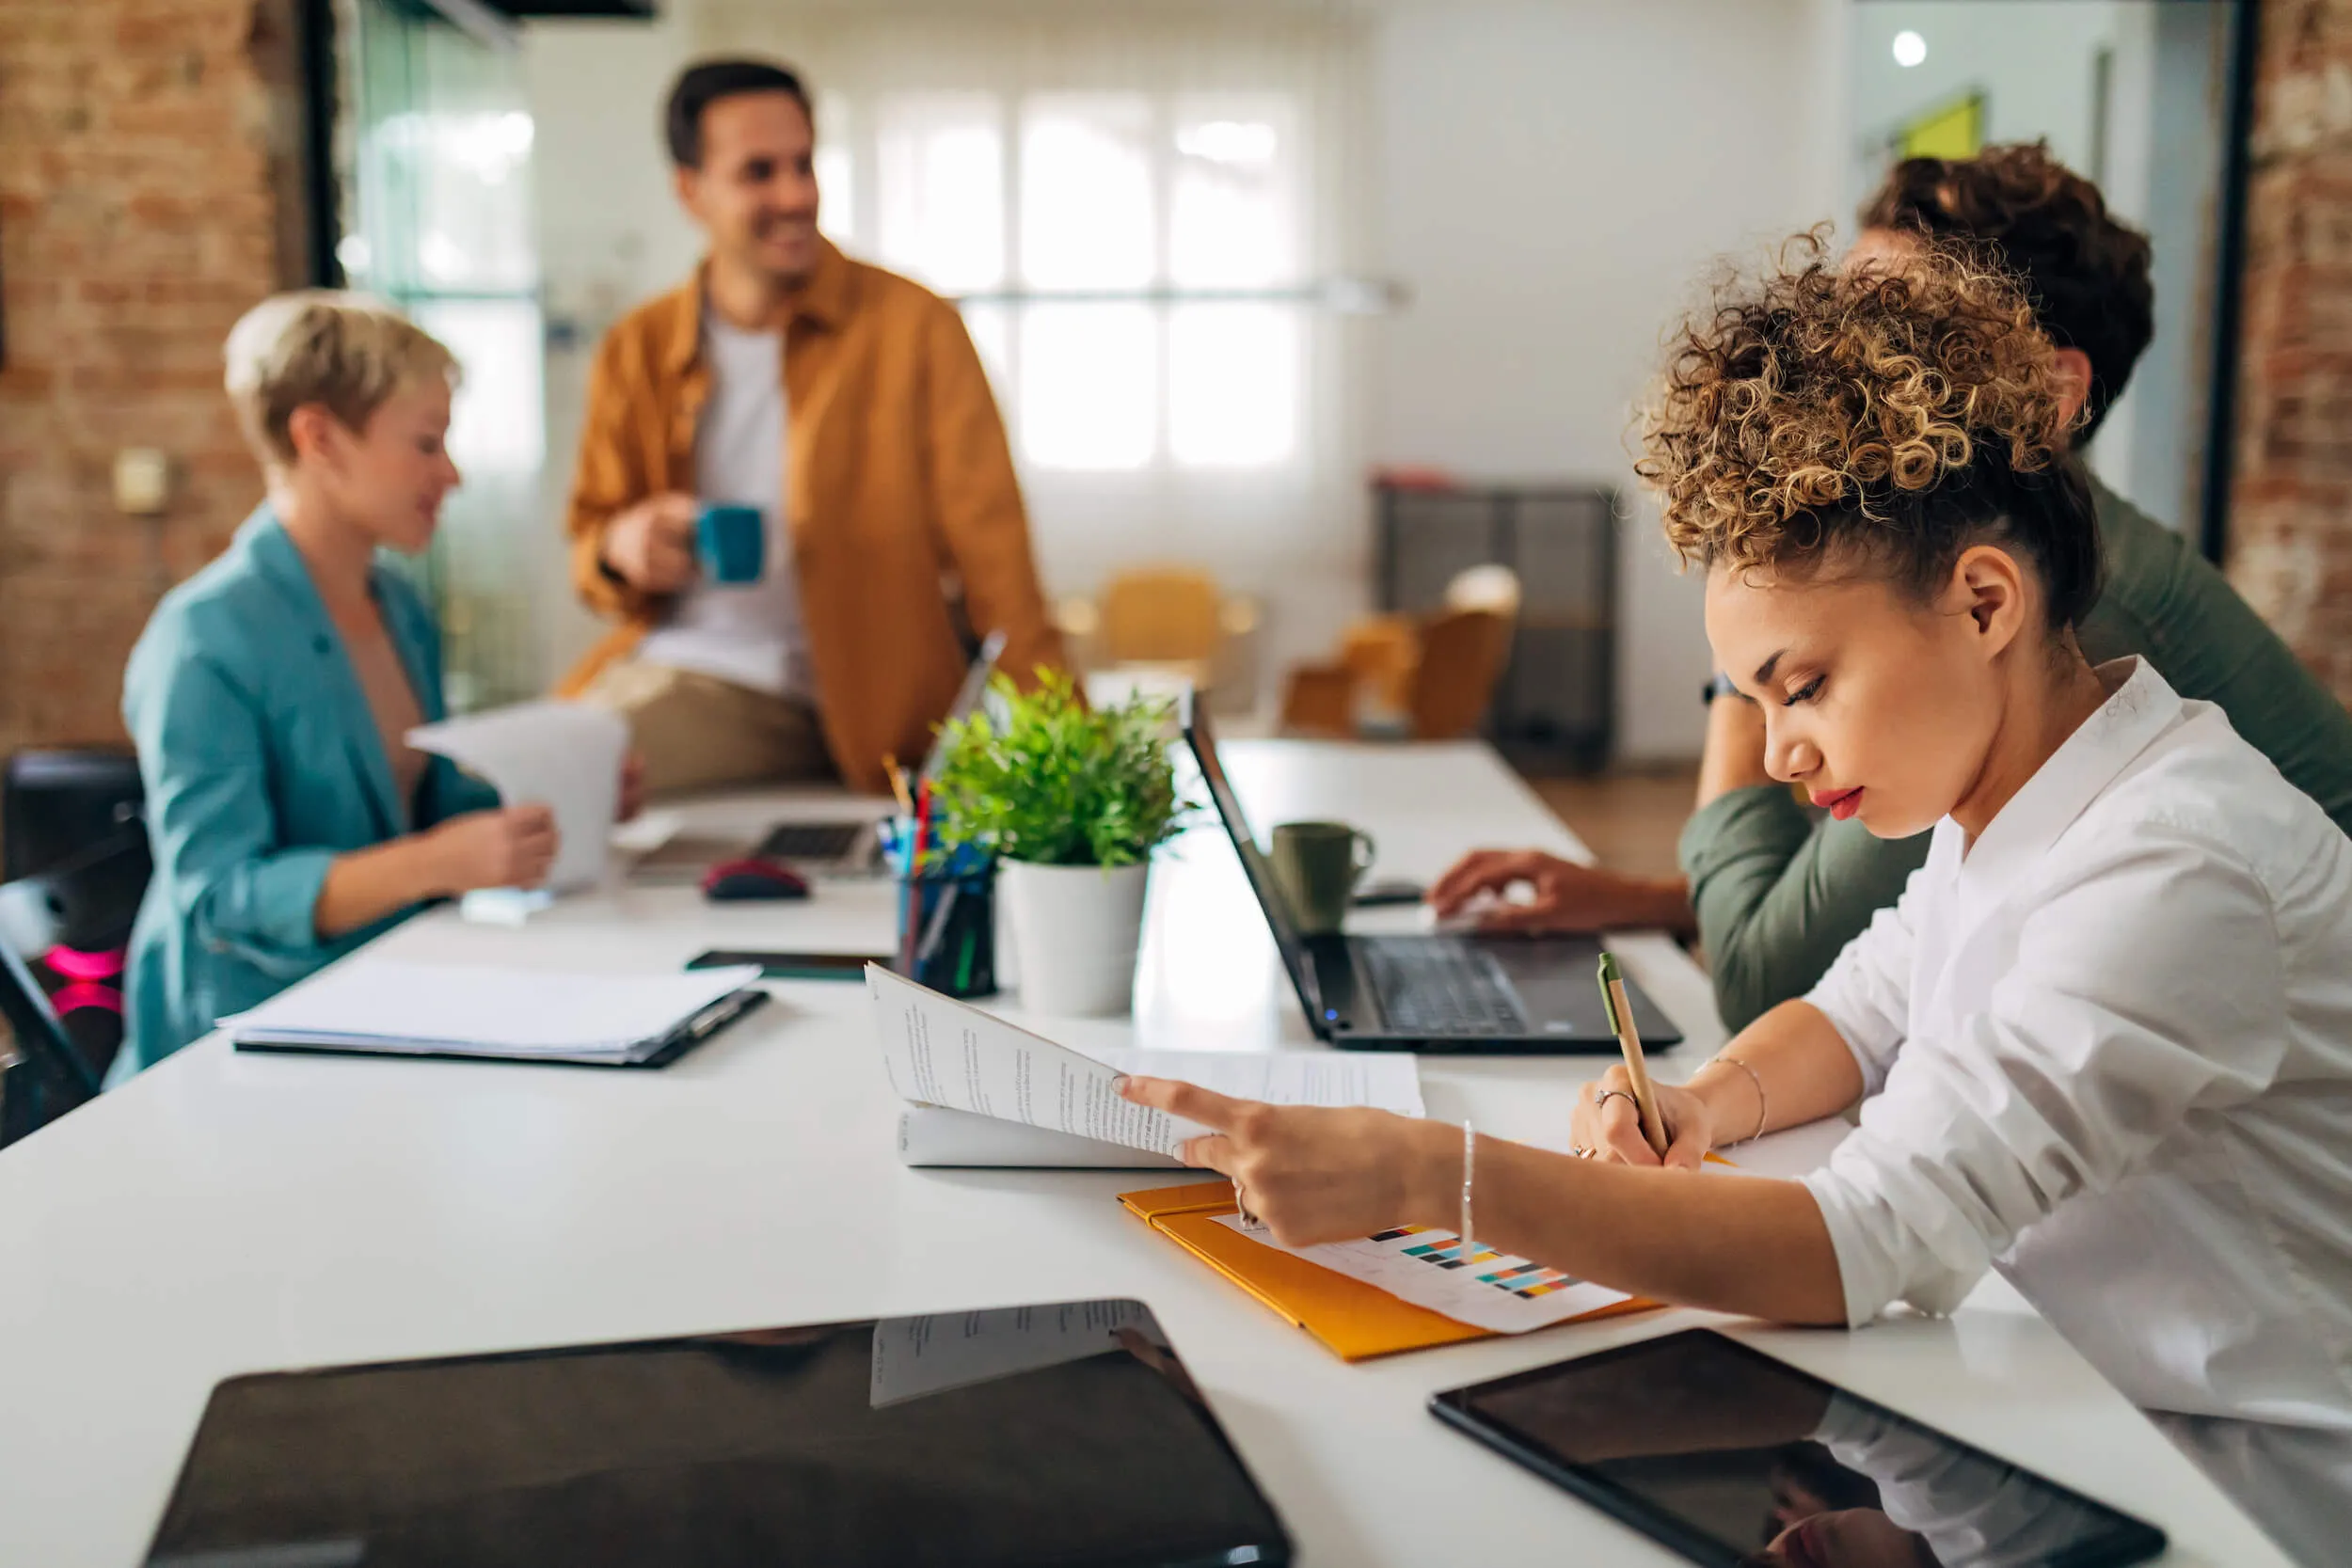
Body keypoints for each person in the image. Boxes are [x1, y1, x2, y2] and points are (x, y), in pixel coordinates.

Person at [1120, 243, 2352, 1561]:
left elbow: (1858, 1239)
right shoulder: (2028, 793)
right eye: (1754, 701)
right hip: (2071, 1415)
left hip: (2241, 1497)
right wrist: (1706, 1101)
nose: (1776, 754)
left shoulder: (2177, 864)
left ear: (1984, 600)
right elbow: (1865, 1006)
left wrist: (1435, 1174)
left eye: (1803, 684)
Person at [1430, 142, 2352, 1032]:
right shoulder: (2036, 573)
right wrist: (1647, 898)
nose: (1834, 358)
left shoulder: (2054, 621)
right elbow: (1917, 923)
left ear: (2049, 393)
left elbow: (1763, 975)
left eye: (1899, 331)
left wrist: (1750, 661)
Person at [119, 293, 625, 1079]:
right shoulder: (201, 640)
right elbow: (221, 898)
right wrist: (433, 862)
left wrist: (559, 798)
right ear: (318, 437)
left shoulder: (399, 608)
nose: (450, 474)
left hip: (389, 1002)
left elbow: (427, 810)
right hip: (239, 1048)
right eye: (426, 443)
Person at [558, 56, 1063, 799]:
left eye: (804, 165)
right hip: (708, 672)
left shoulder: (916, 329)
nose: (795, 194)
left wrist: (1066, 750)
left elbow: (1000, 564)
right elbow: (591, 541)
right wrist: (620, 547)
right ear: (690, 191)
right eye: (758, 172)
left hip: (874, 695)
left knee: (575, 770)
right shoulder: (636, 348)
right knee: (550, 766)